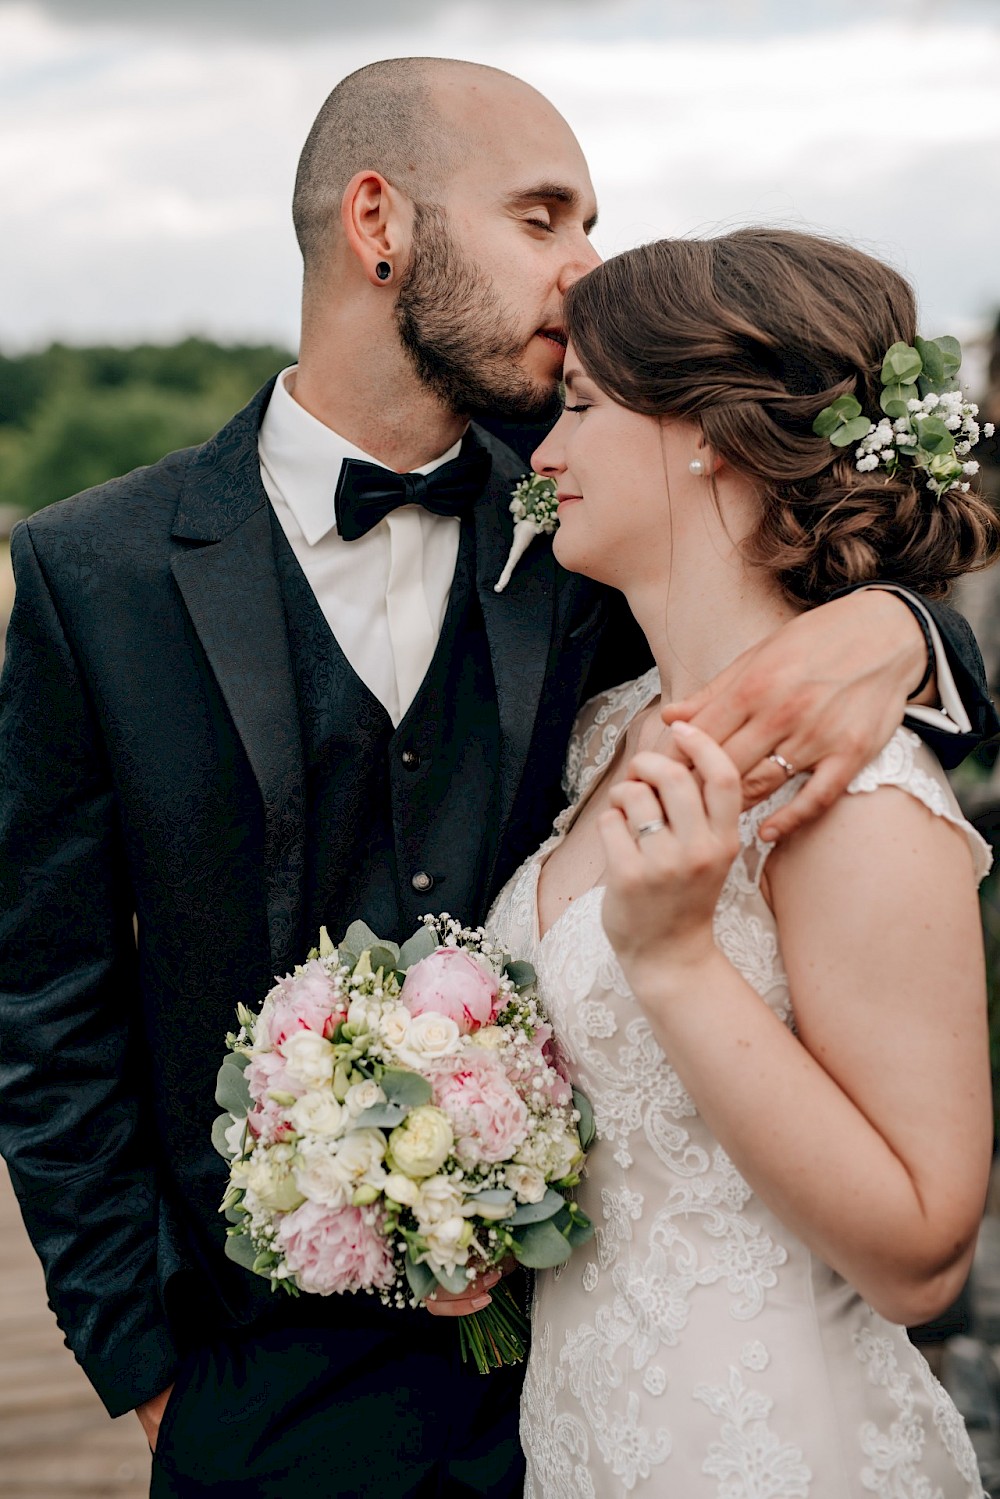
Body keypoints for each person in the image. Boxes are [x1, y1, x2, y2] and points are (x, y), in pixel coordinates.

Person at [0, 58, 993, 1499]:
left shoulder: (594, 491)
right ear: (378, 220)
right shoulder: (95, 569)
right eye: (544, 219)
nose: (584, 270)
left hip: (597, 1367)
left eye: (594, 221)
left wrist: (906, 630)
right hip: (266, 1386)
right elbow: (47, 995)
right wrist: (142, 1361)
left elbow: (795, 561)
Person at [486, 227, 999, 1497]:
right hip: (589, 1431)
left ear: (709, 430)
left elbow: (923, 1255)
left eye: (581, 406)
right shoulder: (611, 727)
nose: (542, 458)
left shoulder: (851, 792)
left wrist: (669, 957)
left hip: (767, 1449)